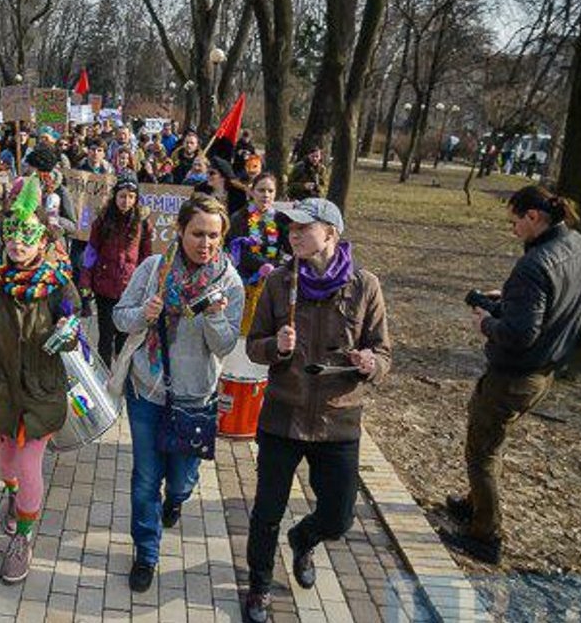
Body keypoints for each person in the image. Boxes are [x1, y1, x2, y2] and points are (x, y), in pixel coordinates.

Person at [242, 198, 391, 622]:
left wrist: (371, 364)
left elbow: (383, 352)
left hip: (338, 421)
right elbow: (253, 346)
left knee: (339, 517)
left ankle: (304, 539)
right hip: (282, 417)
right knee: (266, 512)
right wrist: (275, 347)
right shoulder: (278, 283)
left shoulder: (365, 286)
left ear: (331, 233)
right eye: (290, 227)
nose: (293, 234)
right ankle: (259, 587)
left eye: (303, 227)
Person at [440, 186, 581, 564]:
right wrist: (509, 300)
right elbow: (561, 301)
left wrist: (486, 322)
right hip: (545, 370)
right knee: (492, 443)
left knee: (481, 452)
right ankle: (475, 504)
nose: (513, 230)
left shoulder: (534, 265)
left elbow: (521, 334)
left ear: (533, 217)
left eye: (515, 222)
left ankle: (485, 535)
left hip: (513, 377)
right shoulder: (580, 245)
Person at [112, 193, 244, 593]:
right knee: (145, 479)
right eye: (197, 233)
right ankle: (146, 552)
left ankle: (176, 499)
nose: (206, 243)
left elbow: (224, 346)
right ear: (180, 230)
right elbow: (119, 317)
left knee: (182, 481)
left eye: (214, 236)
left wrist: (214, 315)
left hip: (194, 397)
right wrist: (143, 314)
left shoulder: (229, 283)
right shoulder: (155, 269)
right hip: (147, 390)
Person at [0, 176, 81, 584]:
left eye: (26, 236)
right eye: (11, 235)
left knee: (29, 465)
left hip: (40, 392)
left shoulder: (58, 284)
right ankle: (12, 496)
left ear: (43, 240)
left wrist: (67, 331)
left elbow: (74, 327)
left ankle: (24, 537)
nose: (16, 243)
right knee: (7, 464)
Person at [80, 174, 154, 366]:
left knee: (124, 340)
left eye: (131, 196)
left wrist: (146, 285)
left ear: (136, 199)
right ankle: (102, 376)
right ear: (115, 196)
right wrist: (86, 282)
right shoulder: (102, 220)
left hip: (130, 290)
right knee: (105, 338)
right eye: (122, 196)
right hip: (104, 288)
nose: (126, 201)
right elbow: (91, 252)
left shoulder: (142, 223)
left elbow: (146, 257)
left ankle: (120, 378)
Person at [227, 173, 287, 334]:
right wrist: (264, 266)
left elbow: (287, 248)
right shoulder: (240, 217)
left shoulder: (280, 219)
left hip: (271, 282)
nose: (266, 195)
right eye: (261, 190)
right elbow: (239, 252)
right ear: (252, 192)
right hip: (245, 282)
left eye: (270, 191)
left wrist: (274, 266)